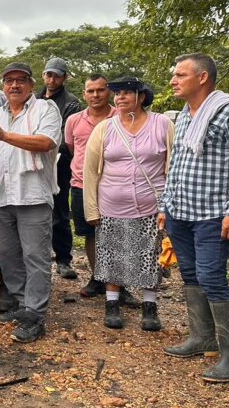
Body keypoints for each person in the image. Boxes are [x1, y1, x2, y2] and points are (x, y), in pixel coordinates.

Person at [160, 53, 229, 383]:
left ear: (202, 78)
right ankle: (203, 338)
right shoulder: (185, 114)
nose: (173, 80)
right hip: (181, 210)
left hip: (213, 213)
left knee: (212, 277)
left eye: (180, 74)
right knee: (190, 274)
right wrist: (166, 205)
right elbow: (177, 165)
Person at [84, 77, 174, 331]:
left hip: (151, 204)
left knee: (150, 256)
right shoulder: (105, 128)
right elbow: (90, 170)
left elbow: (173, 165)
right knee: (112, 255)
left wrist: (168, 206)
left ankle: (150, 306)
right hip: (111, 203)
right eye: (118, 93)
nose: (120, 98)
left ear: (142, 97)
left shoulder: (162, 124)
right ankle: (112, 305)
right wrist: (92, 208)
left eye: (127, 93)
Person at [0, 62, 62, 343]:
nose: (14, 85)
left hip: (32, 195)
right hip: (0, 196)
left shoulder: (45, 109)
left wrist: (6, 135)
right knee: (8, 256)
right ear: (3, 86)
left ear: (31, 84)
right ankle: (22, 304)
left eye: (20, 80)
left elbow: (46, 143)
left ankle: (35, 315)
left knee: (35, 257)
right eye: (9, 81)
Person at [63, 74, 117, 300]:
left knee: (116, 234)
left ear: (109, 91)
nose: (95, 95)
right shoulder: (74, 120)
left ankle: (119, 284)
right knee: (91, 233)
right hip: (81, 185)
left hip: (114, 186)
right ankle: (98, 279)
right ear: (84, 93)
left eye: (100, 90)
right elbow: (72, 149)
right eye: (90, 91)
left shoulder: (121, 116)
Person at [39, 58, 82, 280]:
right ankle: (39, 258)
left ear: (64, 78)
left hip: (60, 164)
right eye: (48, 74)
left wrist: (42, 142)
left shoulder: (71, 103)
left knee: (59, 212)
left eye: (56, 75)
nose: (51, 79)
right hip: (34, 162)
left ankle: (63, 259)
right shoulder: (34, 99)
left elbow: (65, 137)